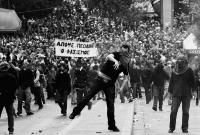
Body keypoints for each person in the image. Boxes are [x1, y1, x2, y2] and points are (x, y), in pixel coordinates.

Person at [69, 44, 131, 132]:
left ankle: (112, 126)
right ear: (120, 50)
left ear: (128, 52)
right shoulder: (116, 54)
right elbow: (109, 56)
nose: (123, 53)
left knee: (111, 105)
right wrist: (115, 61)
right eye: (122, 50)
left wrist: (122, 87)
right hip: (100, 80)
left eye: (125, 52)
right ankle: (75, 112)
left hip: (110, 84)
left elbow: (126, 77)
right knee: (88, 97)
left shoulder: (126, 64)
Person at [168, 55, 195, 133]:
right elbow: (171, 82)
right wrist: (170, 93)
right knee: (173, 111)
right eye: (179, 61)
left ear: (185, 62)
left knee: (185, 112)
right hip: (176, 94)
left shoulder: (189, 70)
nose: (180, 63)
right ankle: (171, 127)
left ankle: (185, 128)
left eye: (181, 61)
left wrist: (194, 91)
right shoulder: (174, 71)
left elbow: (193, 82)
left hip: (186, 94)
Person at [0, 61, 18, 134]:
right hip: (9, 98)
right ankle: (11, 130)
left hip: (0, 97)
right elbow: (15, 88)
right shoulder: (12, 76)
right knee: (10, 115)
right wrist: (13, 96)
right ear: (7, 68)